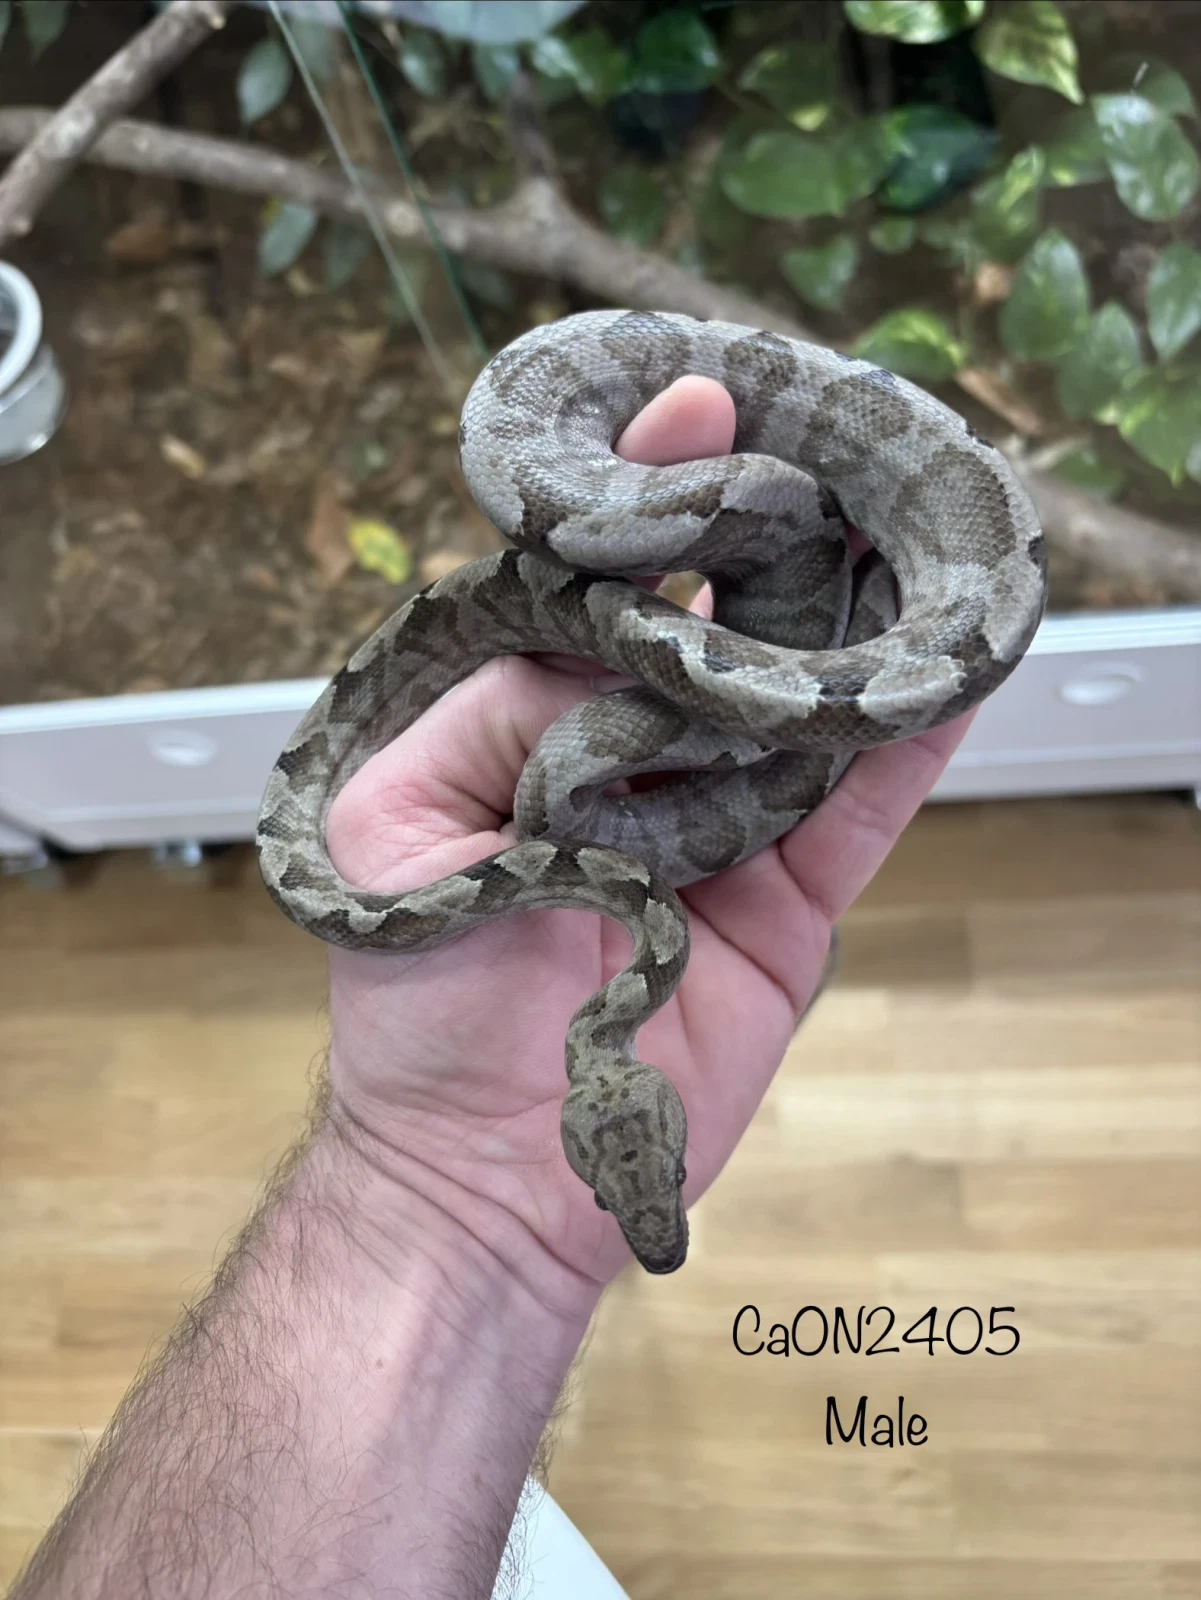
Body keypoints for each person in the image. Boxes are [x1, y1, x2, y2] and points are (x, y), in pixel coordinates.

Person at [12, 377, 971, 1599]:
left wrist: (435, 1204)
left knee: (623, 699)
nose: (642, 1207)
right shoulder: (612, 936)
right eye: (642, 1177)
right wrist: (442, 1195)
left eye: (622, 1182)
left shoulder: (629, 941)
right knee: (600, 719)